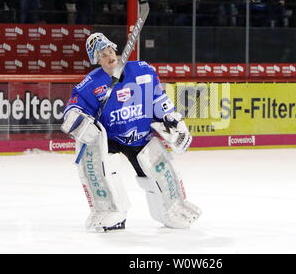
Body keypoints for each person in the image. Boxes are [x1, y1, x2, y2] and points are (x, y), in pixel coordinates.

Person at [61, 32, 201, 232]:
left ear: (115, 50)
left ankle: (172, 207)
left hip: (140, 136)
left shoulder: (142, 70)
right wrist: (80, 123)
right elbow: (72, 110)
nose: (108, 56)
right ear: (96, 60)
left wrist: (171, 120)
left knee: (159, 166)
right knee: (93, 158)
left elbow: (157, 99)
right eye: (102, 55)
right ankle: (110, 211)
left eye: (109, 50)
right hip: (111, 138)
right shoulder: (91, 84)